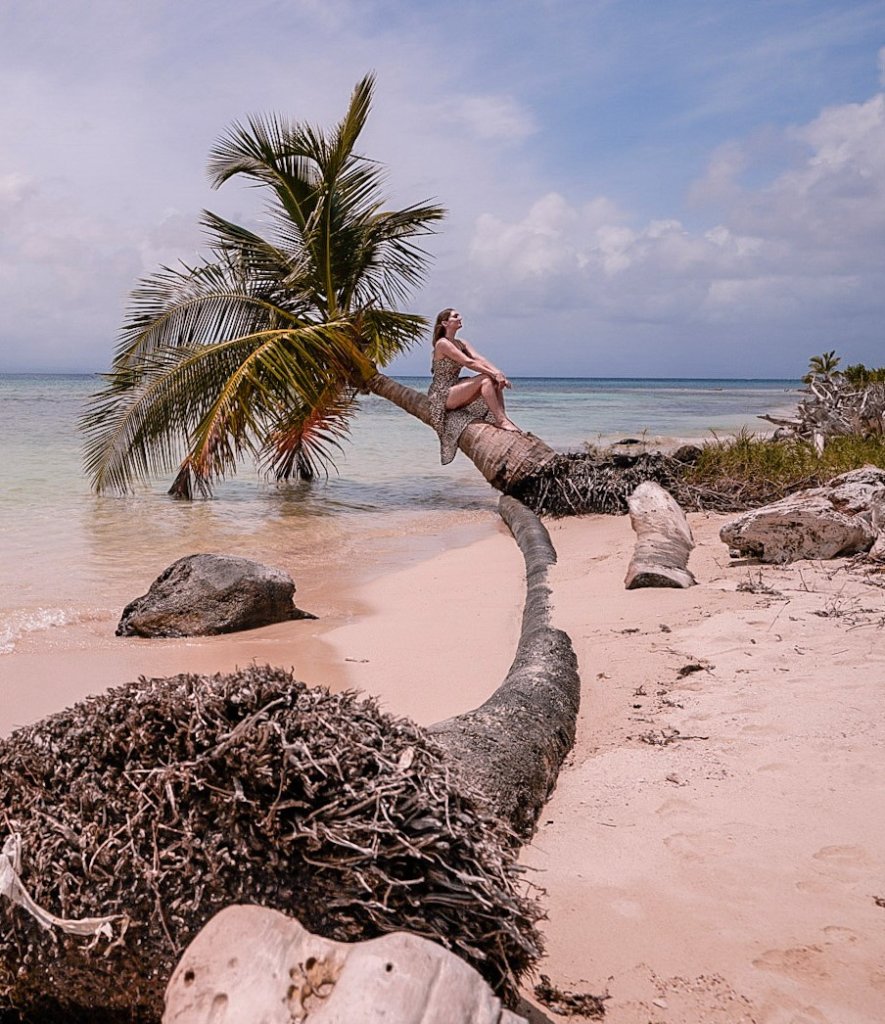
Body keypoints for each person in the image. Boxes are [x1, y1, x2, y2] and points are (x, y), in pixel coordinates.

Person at [427, 308, 521, 465]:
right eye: (455, 316)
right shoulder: (442, 343)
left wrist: (498, 373)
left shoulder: (461, 343)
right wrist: (492, 374)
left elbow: (479, 358)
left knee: (492, 380)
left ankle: (503, 418)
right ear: (445, 323)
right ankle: (501, 420)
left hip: (456, 387)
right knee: (486, 379)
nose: (460, 318)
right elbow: (468, 362)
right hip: (442, 393)